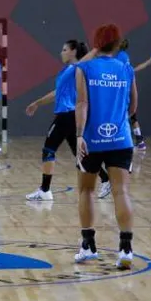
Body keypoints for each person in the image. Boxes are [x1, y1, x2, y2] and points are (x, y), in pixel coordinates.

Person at [74, 23, 137, 270]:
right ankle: (126, 249)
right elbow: (133, 106)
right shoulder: (127, 68)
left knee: (86, 191)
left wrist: (80, 135)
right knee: (121, 192)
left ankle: (88, 245)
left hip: (91, 139)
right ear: (118, 43)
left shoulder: (85, 68)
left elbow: (82, 103)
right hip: (121, 138)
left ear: (96, 43)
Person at [24, 39, 111, 202]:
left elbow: (84, 61)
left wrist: (96, 48)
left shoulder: (76, 68)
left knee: (48, 150)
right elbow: (56, 93)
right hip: (71, 116)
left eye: (64, 50)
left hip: (66, 115)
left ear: (73, 52)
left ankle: (45, 190)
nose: (61, 53)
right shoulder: (66, 72)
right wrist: (37, 103)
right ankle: (106, 179)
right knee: (79, 153)